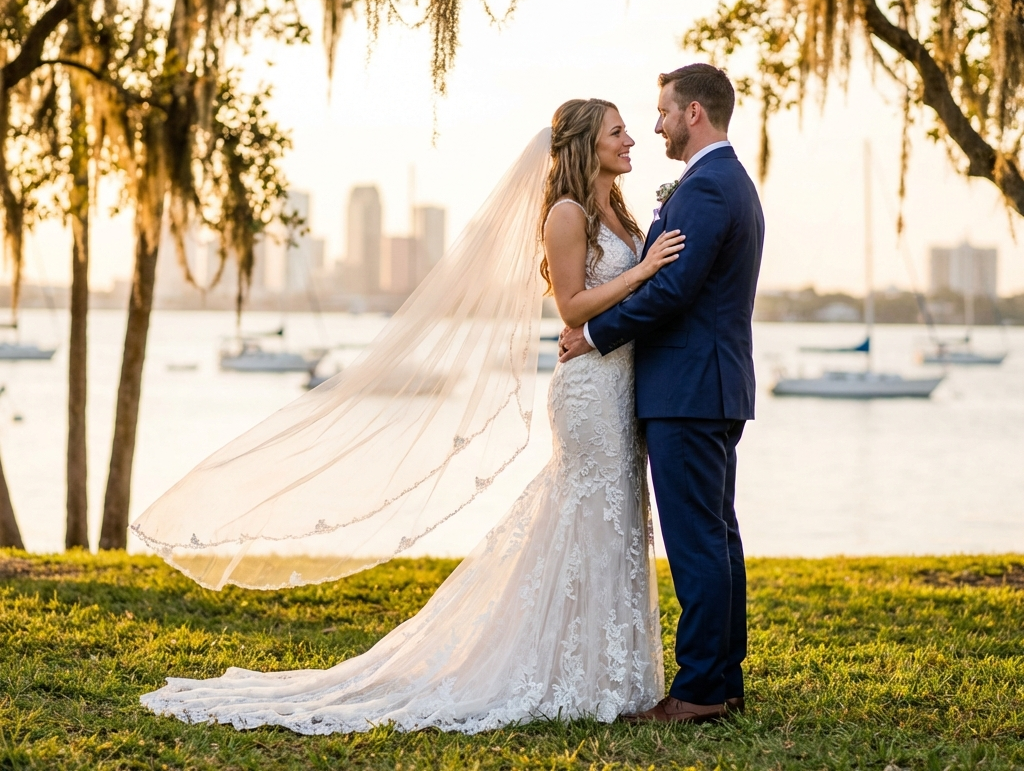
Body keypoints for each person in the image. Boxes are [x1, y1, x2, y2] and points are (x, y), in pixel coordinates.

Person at [138, 98, 685, 734]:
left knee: (617, 516)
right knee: (590, 513)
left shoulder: (617, 211)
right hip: (588, 389)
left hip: (622, 385)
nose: (631, 140)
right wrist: (645, 267)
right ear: (589, 143)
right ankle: (562, 670)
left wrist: (645, 266)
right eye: (619, 132)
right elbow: (570, 307)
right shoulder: (566, 215)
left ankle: (608, 671)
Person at [559, 64, 765, 724]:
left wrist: (594, 333)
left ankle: (702, 690)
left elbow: (674, 291)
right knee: (717, 538)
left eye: (663, 113)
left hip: (688, 389)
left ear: (694, 113)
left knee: (698, 542)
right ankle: (722, 680)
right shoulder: (724, 182)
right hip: (709, 386)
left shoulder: (707, 188)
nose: (655, 127)